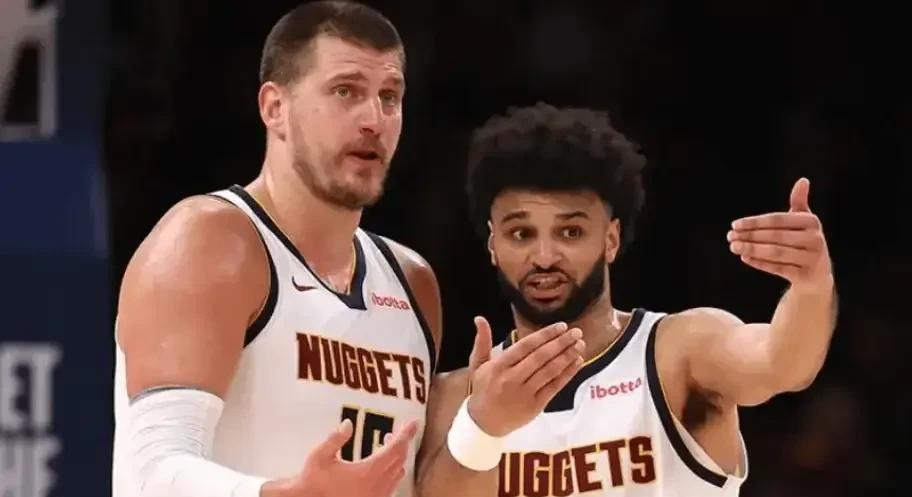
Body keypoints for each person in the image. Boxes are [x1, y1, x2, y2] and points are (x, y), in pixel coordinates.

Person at [415, 103, 838, 496]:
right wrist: (482, 429)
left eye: (570, 232)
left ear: (611, 238)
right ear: (493, 244)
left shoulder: (678, 353)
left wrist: (812, 288)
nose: (544, 257)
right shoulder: (454, 398)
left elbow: (782, 362)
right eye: (521, 233)